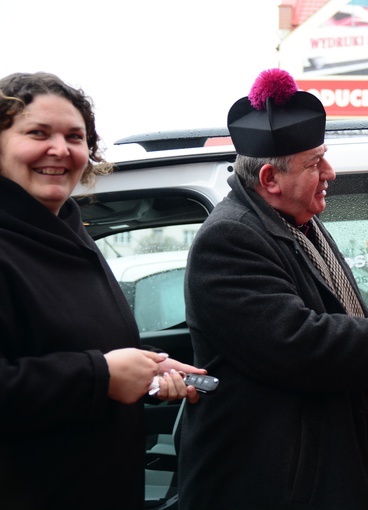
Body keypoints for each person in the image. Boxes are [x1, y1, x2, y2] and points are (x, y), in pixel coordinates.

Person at [178, 68, 368, 510]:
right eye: (314, 163)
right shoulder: (230, 238)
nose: (330, 172)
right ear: (270, 179)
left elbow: (341, 319)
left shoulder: (296, 220)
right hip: (274, 486)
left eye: (323, 156)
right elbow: (298, 342)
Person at [0, 72, 205, 510]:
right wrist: (102, 376)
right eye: (38, 133)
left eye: (75, 137)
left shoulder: (67, 230)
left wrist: (146, 371)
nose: (60, 149)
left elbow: (71, 346)